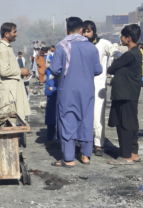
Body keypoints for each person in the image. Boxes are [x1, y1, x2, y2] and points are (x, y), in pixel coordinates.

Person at [50, 17, 103, 167]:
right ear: (81, 30)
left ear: (67, 30)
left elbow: (55, 69)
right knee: (86, 119)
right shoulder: (92, 47)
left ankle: (69, 158)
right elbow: (98, 70)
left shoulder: (62, 46)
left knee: (68, 119)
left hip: (68, 89)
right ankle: (85, 156)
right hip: (87, 90)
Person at [83, 21, 122, 157]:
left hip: (98, 84)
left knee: (98, 114)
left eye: (88, 31)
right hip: (82, 83)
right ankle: (84, 141)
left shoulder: (103, 43)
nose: (85, 34)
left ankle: (98, 144)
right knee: (82, 114)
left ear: (94, 31)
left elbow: (116, 54)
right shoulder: (79, 45)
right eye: (84, 31)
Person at [107, 24, 143, 165]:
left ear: (128, 38)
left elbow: (111, 68)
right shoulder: (137, 52)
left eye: (122, 36)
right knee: (132, 123)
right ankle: (133, 153)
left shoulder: (129, 54)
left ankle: (126, 156)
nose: (120, 39)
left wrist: (116, 67)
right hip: (131, 94)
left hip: (125, 94)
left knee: (124, 124)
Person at [0, 22, 31, 120]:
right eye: (14, 32)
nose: (16, 34)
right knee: (9, 121)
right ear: (6, 34)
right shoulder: (3, 49)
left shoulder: (7, 48)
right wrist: (20, 71)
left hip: (11, 90)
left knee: (13, 120)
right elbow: (4, 72)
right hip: (8, 92)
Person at [44, 56, 57, 145]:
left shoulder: (64, 81)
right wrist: (57, 89)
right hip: (51, 104)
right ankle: (49, 141)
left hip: (60, 105)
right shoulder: (49, 81)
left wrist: (54, 89)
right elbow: (47, 92)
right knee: (51, 125)